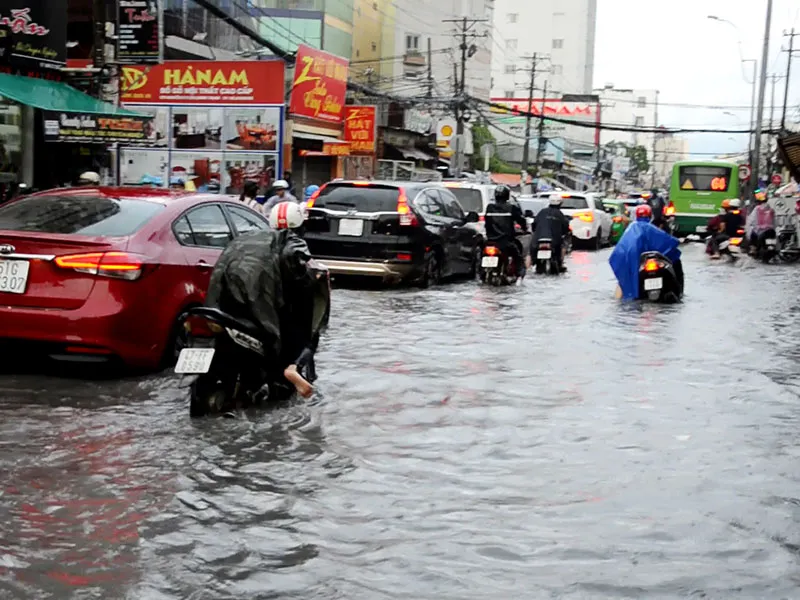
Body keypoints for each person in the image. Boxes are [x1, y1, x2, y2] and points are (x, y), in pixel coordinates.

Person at [204, 201, 327, 399]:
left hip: (222, 305)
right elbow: (297, 280)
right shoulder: (291, 242)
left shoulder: (245, 237)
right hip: (258, 308)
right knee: (306, 331)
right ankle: (292, 367)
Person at [609, 204, 684, 300]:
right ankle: (679, 292)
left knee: (624, 278)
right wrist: (677, 241)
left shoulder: (631, 229)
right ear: (650, 215)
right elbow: (667, 242)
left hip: (633, 262)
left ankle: (622, 298)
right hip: (641, 262)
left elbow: (620, 250)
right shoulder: (650, 228)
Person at [484, 185, 528, 276]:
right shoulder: (511, 208)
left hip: (490, 241)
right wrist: (524, 229)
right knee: (518, 258)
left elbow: (486, 222)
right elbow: (521, 220)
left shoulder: (489, 207)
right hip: (506, 242)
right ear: (507, 196)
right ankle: (520, 275)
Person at [530, 193, 571, 272]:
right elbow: (565, 227)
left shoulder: (542, 212)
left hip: (539, 239)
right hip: (554, 240)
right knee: (563, 245)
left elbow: (534, 224)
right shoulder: (559, 214)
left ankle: (533, 262)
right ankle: (560, 263)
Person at [746, 189, 776, 255]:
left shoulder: (757, 208)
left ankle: (753, 249)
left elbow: (752, 219)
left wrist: (749, 225)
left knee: (753, 235)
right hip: (771, 230)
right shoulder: (771, 208)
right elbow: (775, 219)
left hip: (760, 230)